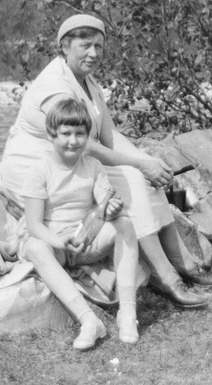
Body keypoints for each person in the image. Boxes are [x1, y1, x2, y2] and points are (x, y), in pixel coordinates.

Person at [0, 13, 212, 309]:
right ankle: (165, 277)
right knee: (132, 180)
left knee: (147, 179)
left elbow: (108, 138)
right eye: (85, 45)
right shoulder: (53, 86)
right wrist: (138, 167)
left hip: (75, 159)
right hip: (40, 169)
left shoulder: (88, 81)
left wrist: (145, 160)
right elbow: (85, 143)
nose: (93, 53)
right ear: (64, 47)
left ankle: (182, 262)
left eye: (99, 46)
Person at [21, 98, 141, 350]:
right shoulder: (39, 170)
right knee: (33, 247)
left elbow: (103, 201)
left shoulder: (94, 166)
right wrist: (58, 241)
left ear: (88, 136)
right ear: (51, 134)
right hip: (57, 245)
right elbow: (33, 225)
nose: (73, 141)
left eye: (80, 134)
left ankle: (127, 311)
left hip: (86, 240)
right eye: (66, 133)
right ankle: (89, 320)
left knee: (126, 223)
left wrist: (111, 208)